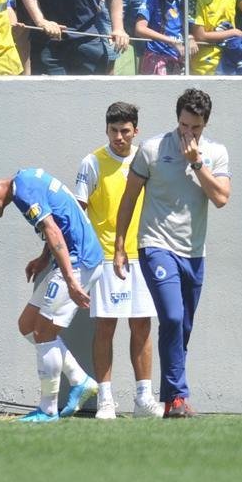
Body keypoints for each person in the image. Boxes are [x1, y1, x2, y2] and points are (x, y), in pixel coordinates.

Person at [114, 88, 231, 419]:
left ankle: (173, 398)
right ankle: (177, 397)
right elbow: (129, 198)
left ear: (205, 124)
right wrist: (120, 246)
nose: (187, 133)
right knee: (172, 317)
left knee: (183, 327)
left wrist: (197, 164)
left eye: (195, 127)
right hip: (155, 245)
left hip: (193, 252)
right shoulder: (152, 149)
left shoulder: (216, 153)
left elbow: (221, 198)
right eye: (183, 125)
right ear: (176, 119)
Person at [0, 170, 103, 422]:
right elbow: (56, 223)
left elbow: (53, 230)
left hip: (78, 262)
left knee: (44, 334)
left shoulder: (24, 192)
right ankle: (80, 380)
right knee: (27, 325)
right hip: (70, 261)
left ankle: (48, 409)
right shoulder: (24, 182)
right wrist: (43, 258)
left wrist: (71, 280)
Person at [74, 101, 165, 420]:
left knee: (142, 325)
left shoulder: (146, 159)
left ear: (135, 130)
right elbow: (78, 212)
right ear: (106, 129)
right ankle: (105, 401)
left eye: (125, 131)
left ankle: (144, 399)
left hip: (143, 254)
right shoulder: (91, 162)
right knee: (105, 326)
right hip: (105, 258)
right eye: (113, 130)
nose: (119, 137)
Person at [134, 0, 193, 74]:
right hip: (156, 58)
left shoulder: (186, 0)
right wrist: (171, 41)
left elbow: (191, 27)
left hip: (179, 59)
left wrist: (191, 38)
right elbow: (139, 29)